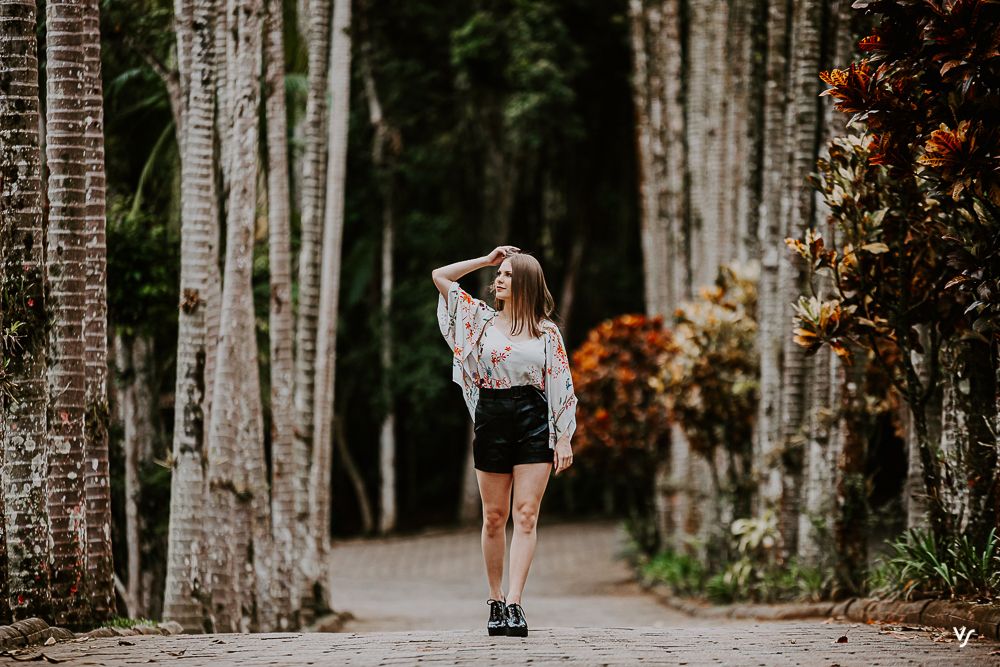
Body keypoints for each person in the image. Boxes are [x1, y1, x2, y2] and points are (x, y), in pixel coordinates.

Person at [432, 245, 577, 638]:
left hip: (533, 419)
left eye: (509, 274)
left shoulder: (547, 332)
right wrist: (486, 259)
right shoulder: (479, 320)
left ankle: (515, 602)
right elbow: (441, 276)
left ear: (526, 283)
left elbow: (561, 386)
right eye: (501, 273)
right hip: (492, 417)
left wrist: (563, 436)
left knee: (526, 514)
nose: (500, 278)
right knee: (494, 517)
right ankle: (495, 599)